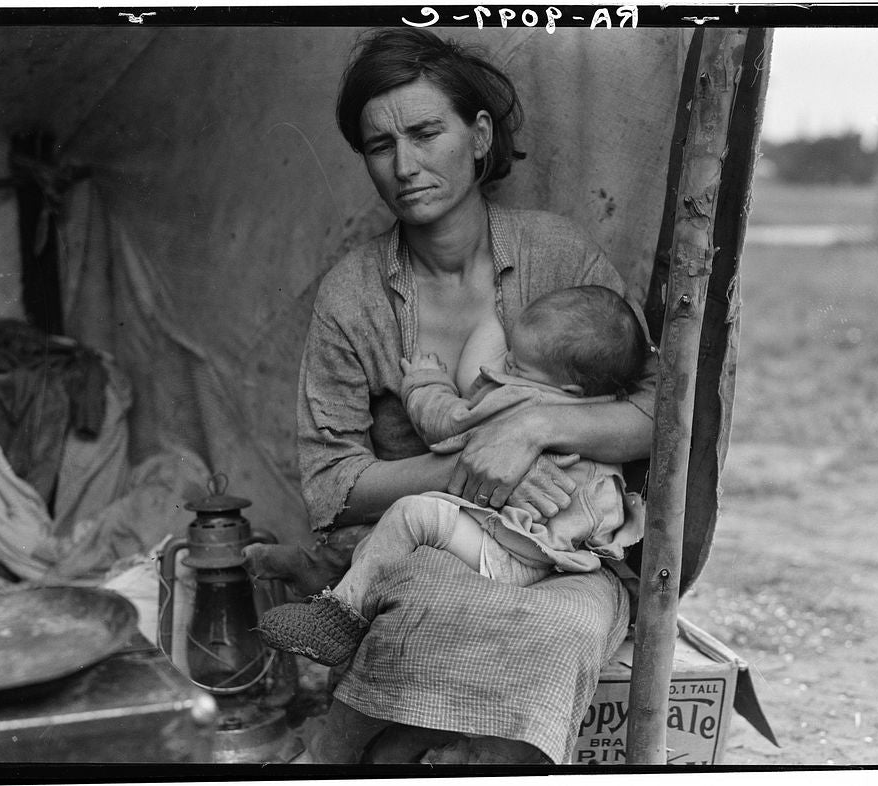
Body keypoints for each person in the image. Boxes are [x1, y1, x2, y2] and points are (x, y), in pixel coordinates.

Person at [246, 28, 657, 765]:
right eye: (380, 145)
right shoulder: (354, 295)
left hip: (569, 555)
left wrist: (530, 428)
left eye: (426, 132)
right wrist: (472, 465)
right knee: (428, 607)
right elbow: (331, 488)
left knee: (556, 639)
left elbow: (660, 415)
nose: (405, 166)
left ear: (478, 135)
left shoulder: (558, 255)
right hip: (436, 545)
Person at [259, 285, 651, 667]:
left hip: (517, 553)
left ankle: (338, 619)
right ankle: (327, 569)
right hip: (562, 551)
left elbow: (448, 424)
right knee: (409, 535)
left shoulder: (523, 398)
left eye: (516, 364)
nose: (505, 365)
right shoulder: (603, 409)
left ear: (566, 386)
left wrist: (426, 381)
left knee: (411, 516)